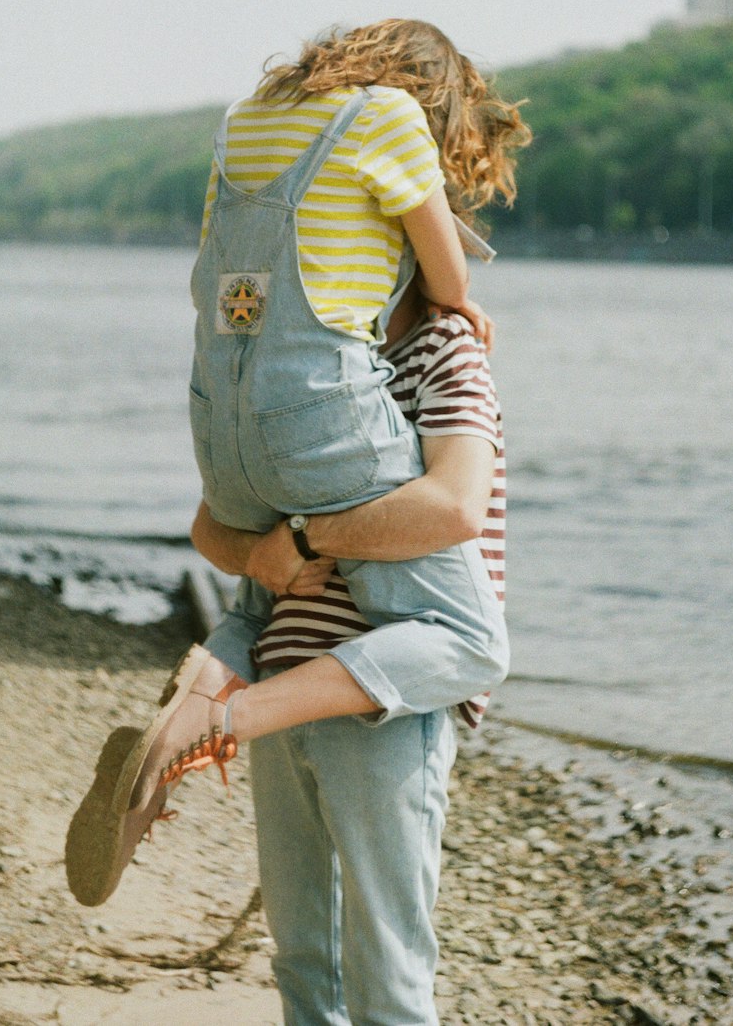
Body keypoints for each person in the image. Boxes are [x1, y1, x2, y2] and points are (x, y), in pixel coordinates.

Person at [66, 19, 527, 898]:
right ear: (434, 102)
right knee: (469, 640)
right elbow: (450, 279)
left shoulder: (243, 119)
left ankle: (218, 668)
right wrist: (457, 307)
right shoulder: (389, 116)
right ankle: (221, 717)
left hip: (222, 417)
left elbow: (213, 272)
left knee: (266, 585)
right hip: (315, 410)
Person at [196, 282, 507, 1026]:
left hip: (387, 695)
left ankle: (214, 714)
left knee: (385, 976)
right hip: (282, 671)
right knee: (302, 959)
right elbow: (210, 526)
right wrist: (264, 555)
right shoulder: (307, 366)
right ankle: (217, 710)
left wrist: (306, 537)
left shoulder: (442, 348)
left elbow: (457, 505)